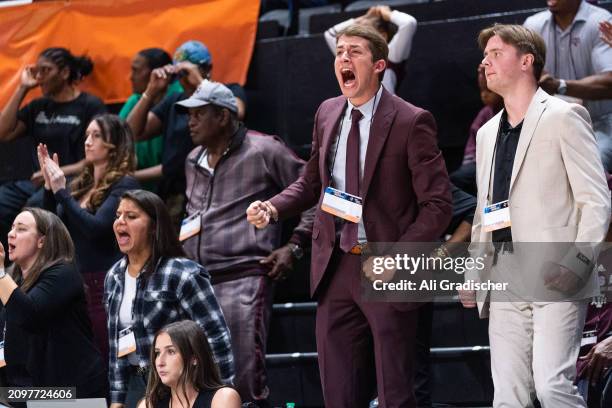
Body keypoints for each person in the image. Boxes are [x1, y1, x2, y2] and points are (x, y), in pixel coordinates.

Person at [247, 24, 452, 407]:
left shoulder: (411, 120)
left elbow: (439, 205)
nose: (343, 58)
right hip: (335, 265)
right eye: (339, 51)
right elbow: (311, 183)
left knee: (395, 391)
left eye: (354, 51)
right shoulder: (327, 113)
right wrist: (273, 207)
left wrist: (398, 256)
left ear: (378, 65)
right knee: (339, 392)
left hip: (387, 267)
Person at [462, 23, 610, 407]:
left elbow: (596, 202)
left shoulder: (564, 116)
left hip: (556, 273)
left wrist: (576, 263)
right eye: (485, 55)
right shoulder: (486, 132)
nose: (486, 62)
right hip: (505, 276)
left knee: (552, 387)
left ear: (526, 61)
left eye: (496, 54)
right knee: (508, 396)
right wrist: (475, 271)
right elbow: (485, 212)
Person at [177, 80, 313, 406]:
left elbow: (315, 195)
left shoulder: (264, 149)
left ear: (223, 117)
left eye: (199, 115)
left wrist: (294, 245)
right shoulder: (193, 158)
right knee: (200, 380)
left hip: (245, 277)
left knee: (243, 378)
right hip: (197, 283)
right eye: (188, 115)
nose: (190, 122)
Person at [105, 190, 234, 408]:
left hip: (180, 381)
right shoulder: (114, 276)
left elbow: (215, 336)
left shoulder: (182, 273)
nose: (120, 222)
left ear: (154, 226)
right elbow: (116, 345)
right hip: (137, 381)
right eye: (118, 215)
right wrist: (117, 399)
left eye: (131, 216)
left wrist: (220, 392)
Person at [38, 113, 140, 364]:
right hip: (72, 282)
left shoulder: (125, 184)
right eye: (86, 135)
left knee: (103, 357)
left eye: (96, 136)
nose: (87, 142)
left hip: (101, 284)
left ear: (113, 144)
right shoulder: (81, 185)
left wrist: (62, 191)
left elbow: (96, 229)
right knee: (76, 359)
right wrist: (50, 188)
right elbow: (51, 225)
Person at [0, 47, 106, 255]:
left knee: (33, 213)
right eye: (37, 71)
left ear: (64, 73)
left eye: (45, 71)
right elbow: (3, 133)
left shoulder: (89, 105)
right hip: (34, 181)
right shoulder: (39, 106)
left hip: (71, 180)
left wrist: (56, 172)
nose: (39, 78)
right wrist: (22, 88)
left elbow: (94, 158)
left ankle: (30, 268)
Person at [126, 41, 246, 224]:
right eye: (180, 74)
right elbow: (133, 133)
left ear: (207, 69)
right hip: (173, 195)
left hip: (215, 187)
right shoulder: (175, 100)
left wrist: (200, 82)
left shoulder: (229, 91)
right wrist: (150, 92)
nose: (184, 79)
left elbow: (236, 112)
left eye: (187, 73)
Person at [0, 208, 106, 399]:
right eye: (12, 227)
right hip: (31, 391)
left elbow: (28, 314)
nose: (10, 233)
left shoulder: (64, 273)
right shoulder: (13, 279)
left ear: (42, 240)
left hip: (72, 393)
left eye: (21, 229)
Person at [524, 0, 612, 171]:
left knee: (587, 165)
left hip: (600, 123)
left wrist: (559, 85)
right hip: (552, 126)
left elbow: (609, 82)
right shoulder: (533, 25)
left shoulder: (600, 21)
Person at [137, 320, 241, 408]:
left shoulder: (223, 398)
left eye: (171, 352)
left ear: (194, 358)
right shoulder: (148, 404)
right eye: (157, 353)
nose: (160, 362)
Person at [118, 48, 182, 191]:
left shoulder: (178, 100)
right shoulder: (136, 100)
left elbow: (174, 164)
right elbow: (124, 136)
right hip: (134, 185)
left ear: (158, 73)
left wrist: (128, 176)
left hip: (169, 188)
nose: (130, 77)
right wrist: (150, 93)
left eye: (136, 70)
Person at [324, 5, 417, 93]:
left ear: (382, 35)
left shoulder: (390, 53)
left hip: (386, 108)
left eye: (366, 32)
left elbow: (409, 23)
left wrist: (388, 14)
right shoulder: (351, 57)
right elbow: (330, 34)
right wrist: (362, 18)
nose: (360, 35)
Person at [450, 64, 503, 196]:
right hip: (479, 163)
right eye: (482, 91)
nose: (485, 96)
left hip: (500, 166)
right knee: (458, 179)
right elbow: (472, 143)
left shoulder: (510, 111)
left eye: (489, 91)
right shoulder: (485, 113)